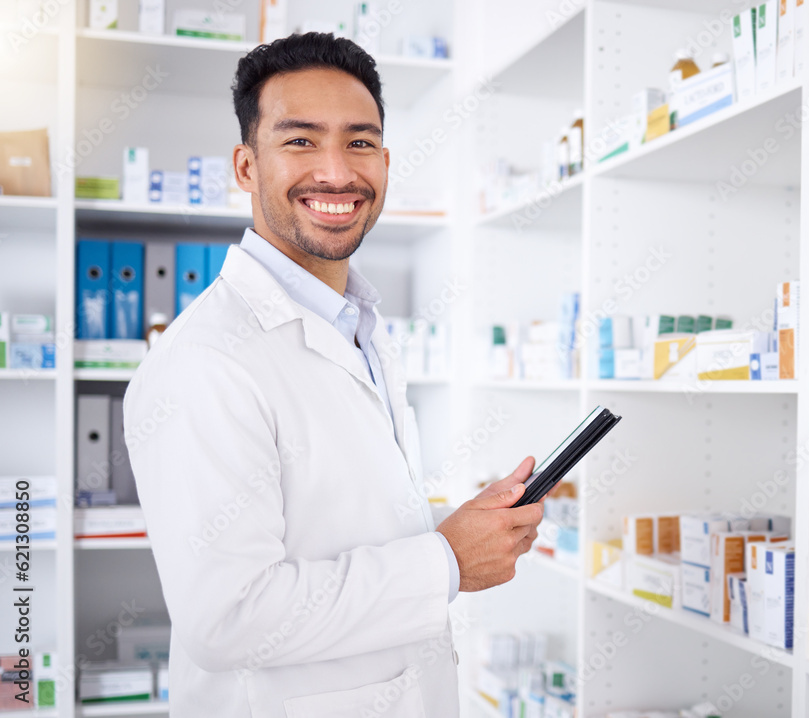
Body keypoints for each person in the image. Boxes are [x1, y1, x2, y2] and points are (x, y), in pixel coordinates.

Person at [124, 33, 544, 718]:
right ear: (245, 166)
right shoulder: (206, 361)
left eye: (359, 142)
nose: (337, 173)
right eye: (298, 142)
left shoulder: (360, 325)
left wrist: (462, 529)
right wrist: (445, 562)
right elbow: (226, 618)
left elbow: (341, 527)